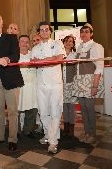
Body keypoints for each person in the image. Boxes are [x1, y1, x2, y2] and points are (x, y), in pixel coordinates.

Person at [0, 14, 24, 151]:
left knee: (13, 111)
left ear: (2, 24)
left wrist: (7, 59)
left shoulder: (11, 38)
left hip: (11, 79)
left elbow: (16, 55)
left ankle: (13, 139)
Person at [31, 21, 66, 154]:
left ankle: (53, 142)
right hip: (41, 84)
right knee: (43, 112)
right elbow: (34, 63)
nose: (44, 31)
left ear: (50, 31)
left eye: (46, 29)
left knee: (55, 112)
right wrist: (49, 60)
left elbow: (59, 59)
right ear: (39, 32)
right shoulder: (35, 48)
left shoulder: (57, 44)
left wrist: (42, 61)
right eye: (42, 30)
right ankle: (48, 134)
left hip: (55, 84)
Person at [72, 23, 104, 144]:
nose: (84, 34)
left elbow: (99, 67)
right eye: (82, 32)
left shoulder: (96, 46)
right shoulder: (79, 47)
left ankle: (92, 134)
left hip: (90, 81)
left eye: (86, 32)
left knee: (90, 108)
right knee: (83, 109)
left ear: (91, 34)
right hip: (80, 82)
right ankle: (86, 132)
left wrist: (95, 85)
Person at [17, 35, 38, 138]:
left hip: (32, 86)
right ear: (18, 43)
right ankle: (16, 131)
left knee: (32, 109)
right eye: (22, 41)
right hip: (19, 86)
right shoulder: (14, 56)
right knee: (16, 109)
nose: (24, 44)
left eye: (26, 42)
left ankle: (28, 130)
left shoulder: (33, 55)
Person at [62, 35, 77, 137]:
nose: (68, 43)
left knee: (71, 106)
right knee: (63, 106)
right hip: (60, 84)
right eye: (66, 41)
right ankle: (66, 127)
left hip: (71, 83)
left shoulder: (75, 55)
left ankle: (71, 128)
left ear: (73, 44)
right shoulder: (59, 55)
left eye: (70, 41)